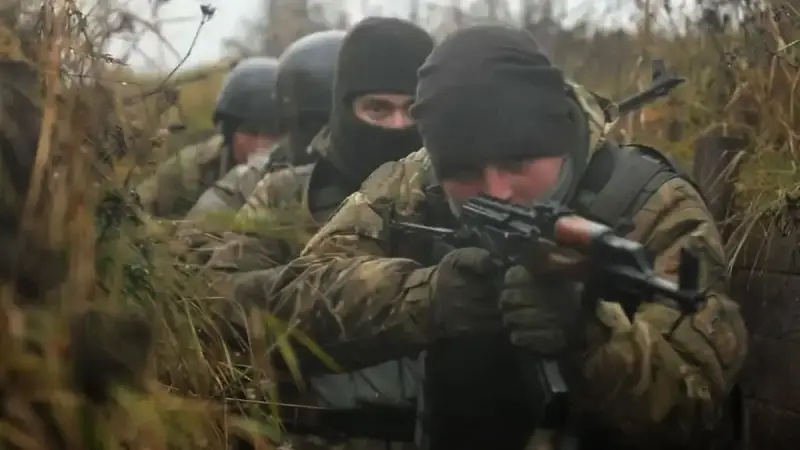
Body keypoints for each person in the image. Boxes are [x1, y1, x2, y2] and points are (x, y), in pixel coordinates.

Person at [234, 25, 748, 450]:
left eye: (517, 162)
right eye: (467, 171)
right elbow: (293, 300)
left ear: (558, 136)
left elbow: (698, 402)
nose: (496, 190)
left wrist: (588, 338)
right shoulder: (415, 181)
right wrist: (429, 297)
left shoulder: (652, 205)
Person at [210, 17, 434, 450]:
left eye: (413, 110)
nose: (395, 126)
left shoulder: (462, 190)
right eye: (377, 109)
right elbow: (222, 304)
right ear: (344, 107)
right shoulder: (287, 194)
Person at [136, 57, 285, 219]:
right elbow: (134, 211)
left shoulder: (302, 176)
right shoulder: (191, 170)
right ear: (230, 132)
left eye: (276, 132)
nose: (264, 144)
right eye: (252, 130)